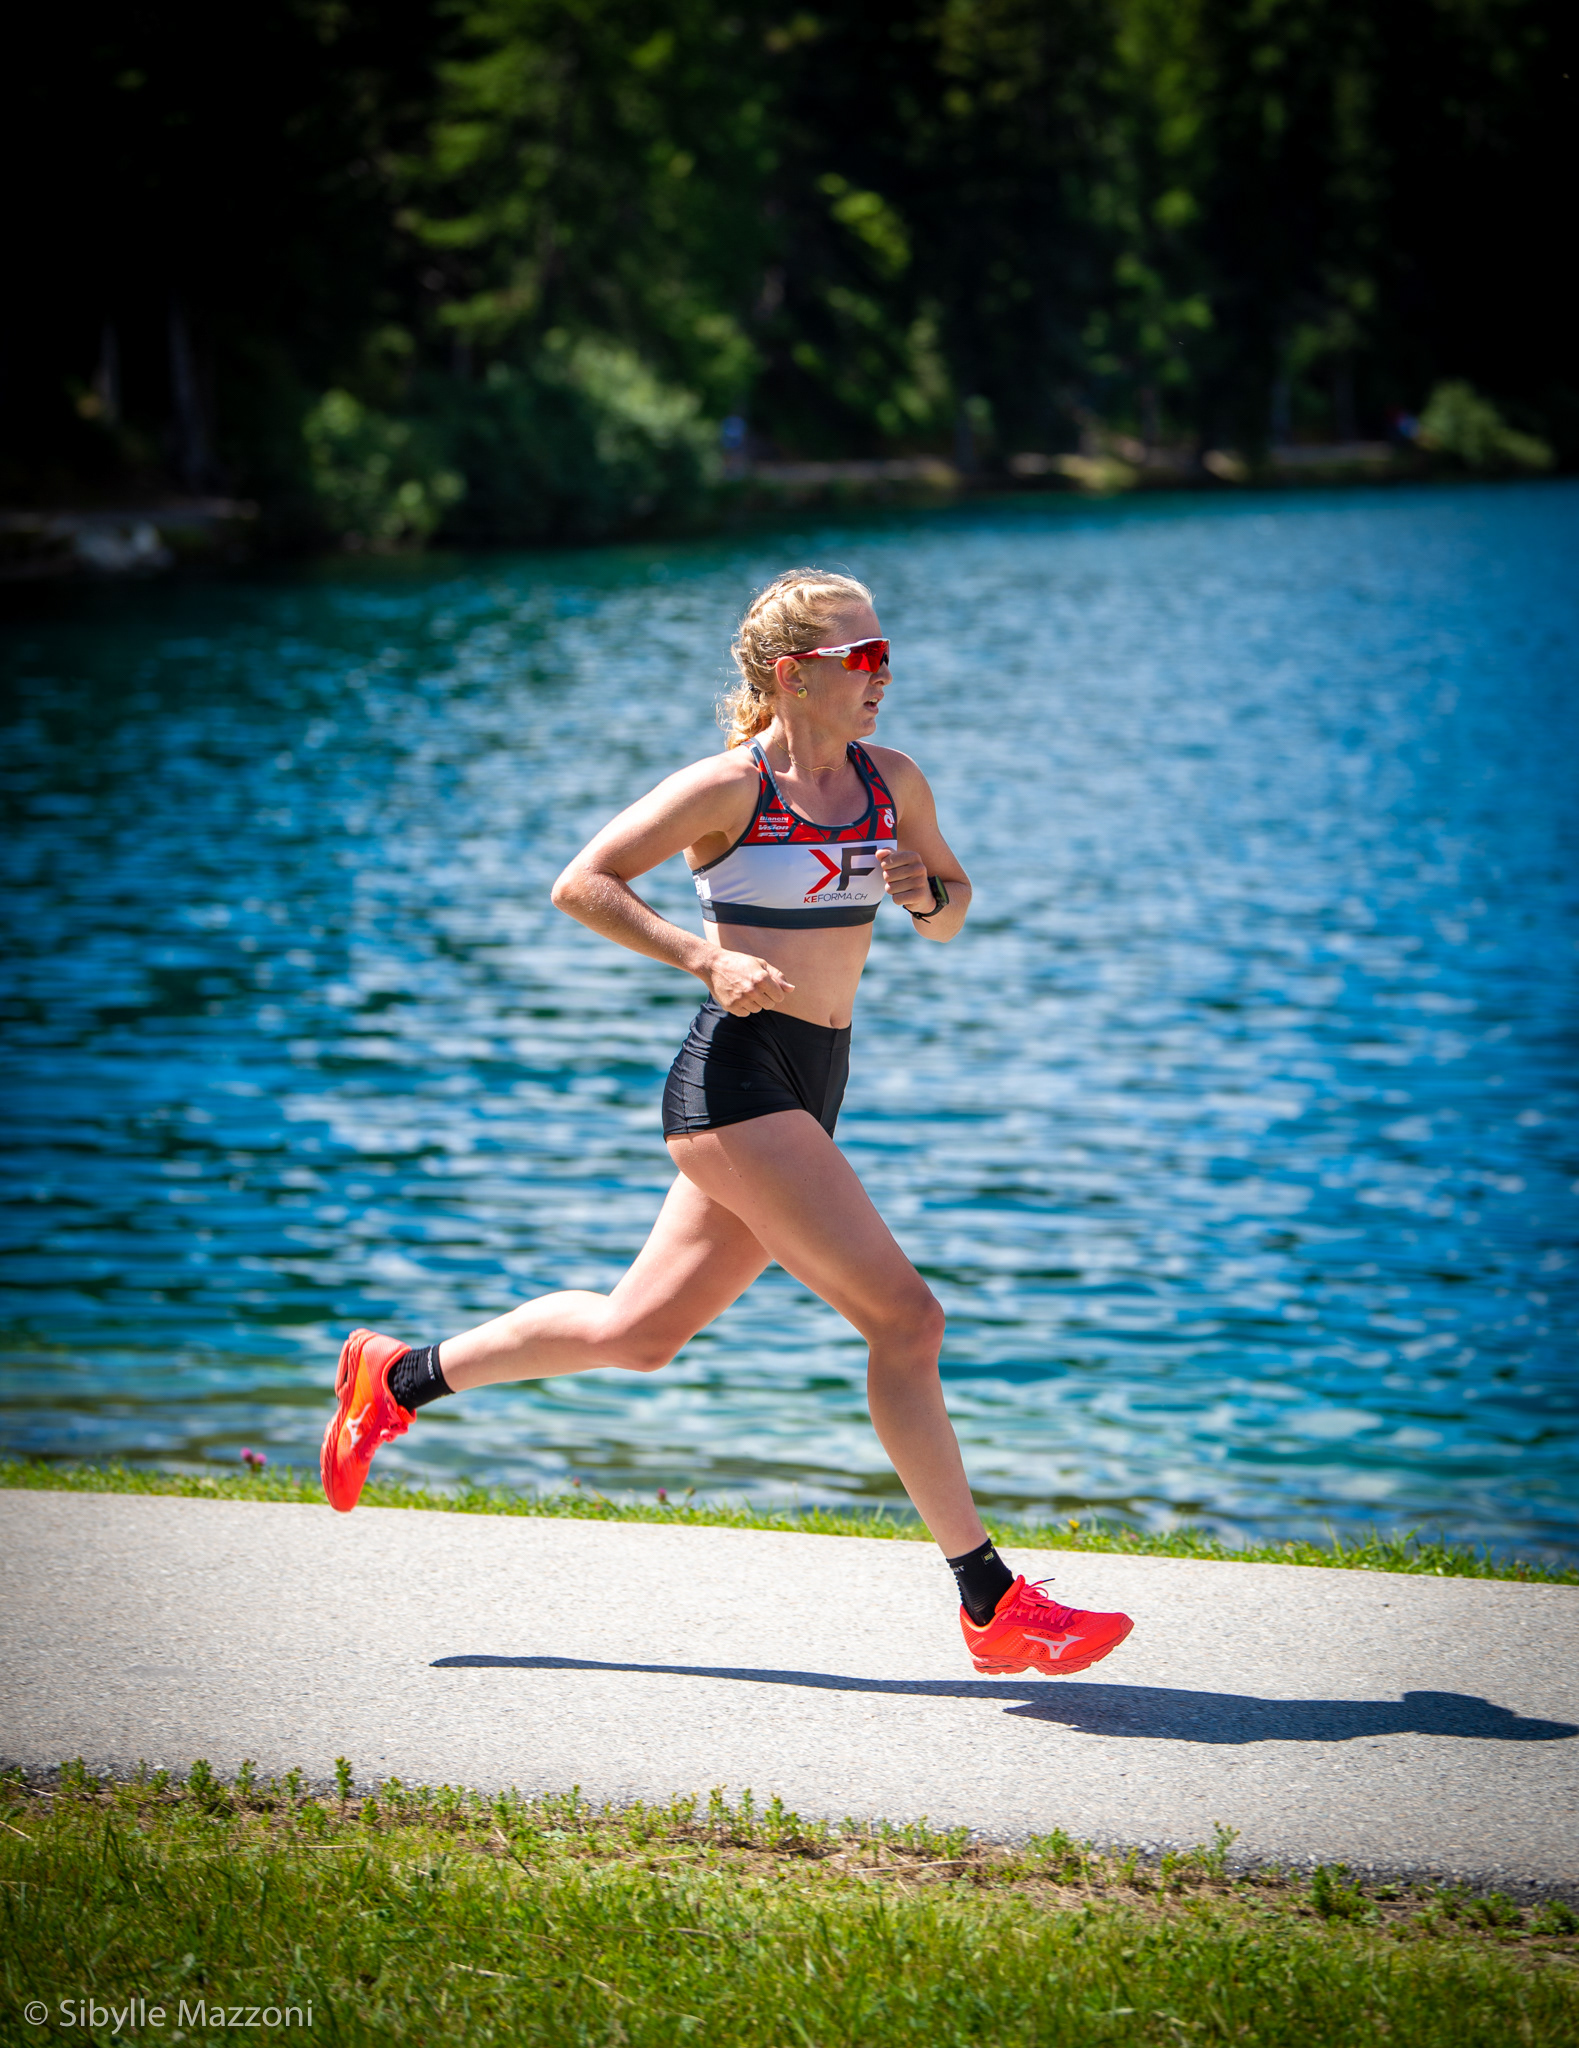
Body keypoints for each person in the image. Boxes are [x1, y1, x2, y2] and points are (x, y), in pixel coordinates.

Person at [320, 568, 1132, 1678]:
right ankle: (989, 1600)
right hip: (737, 1084)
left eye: (885, 654)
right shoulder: (729, 789)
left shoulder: (892, 781)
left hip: (813, 1082)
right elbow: (582, 882)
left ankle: (396, 1377)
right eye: (861, 658)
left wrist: (925, 896)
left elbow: (950, 911)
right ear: (794, 676)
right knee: (907, 1321)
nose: (882, 676)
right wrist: (702, 957)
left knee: (638, 1333)